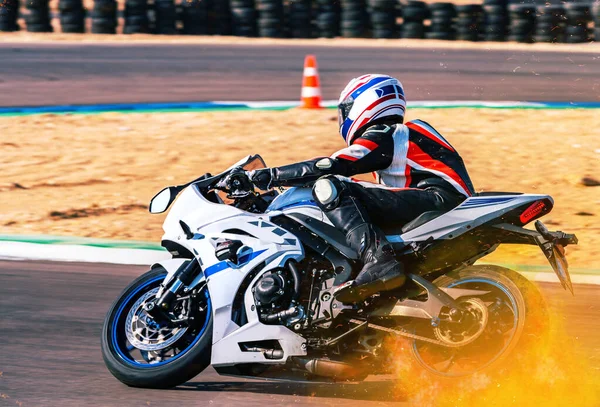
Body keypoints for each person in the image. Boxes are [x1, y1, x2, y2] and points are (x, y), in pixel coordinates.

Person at [248, 74, 475, 303]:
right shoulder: (400, 138)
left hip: (439, 199)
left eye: (344, 110)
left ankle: (378, 260)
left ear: (363, 103)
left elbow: (332, 165)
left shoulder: (389, 132)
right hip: (436, 200)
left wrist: (269, 176)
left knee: (331, 185)